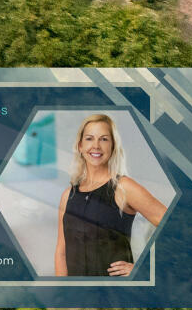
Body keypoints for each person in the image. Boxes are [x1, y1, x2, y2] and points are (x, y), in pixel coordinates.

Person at [57, 112, 167, 277]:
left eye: (104, 139)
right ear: (80, 146)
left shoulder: (124, 187)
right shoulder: (68, 196)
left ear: (113, 146)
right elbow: (61, 253)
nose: (96, 146)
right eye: (89, 138)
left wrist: (143, 268)